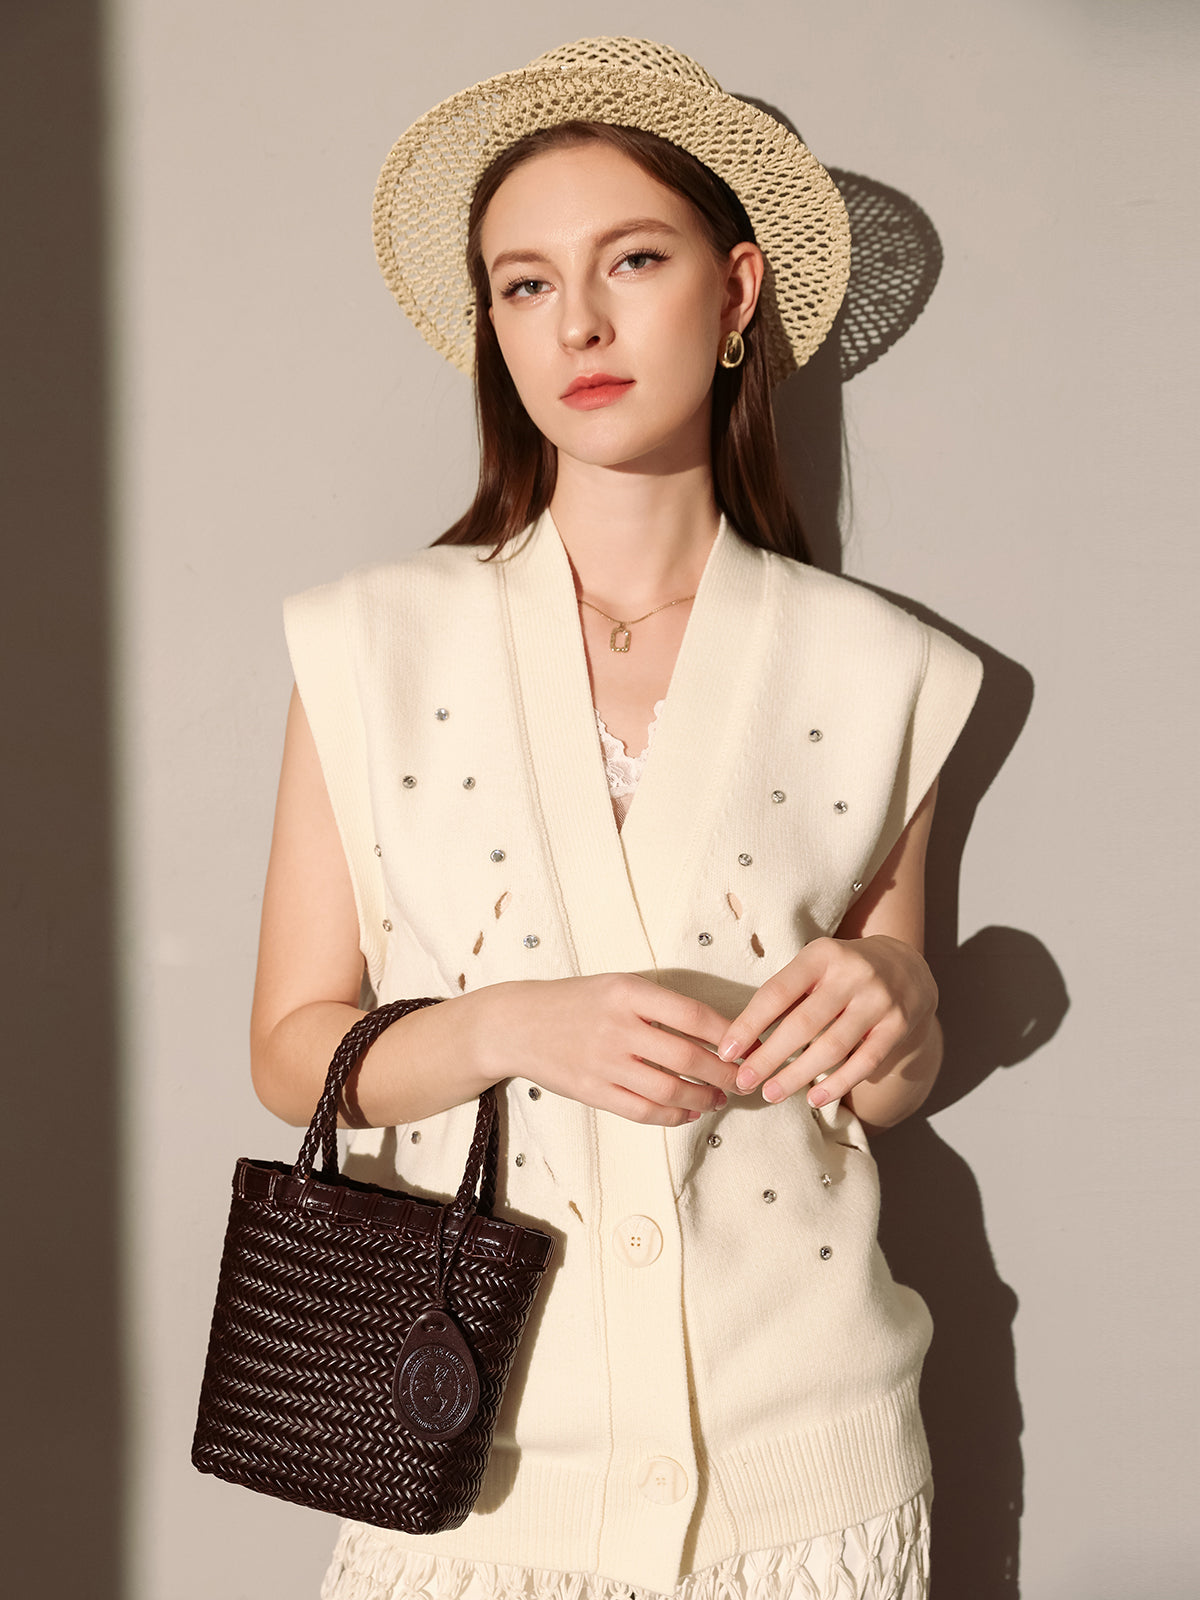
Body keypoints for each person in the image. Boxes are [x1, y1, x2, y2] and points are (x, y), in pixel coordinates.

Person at [249, 37, 982, 1600]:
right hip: (470, 1479)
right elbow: (291, 1052)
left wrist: (902, 997)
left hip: (812, 1489)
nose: (576, 322)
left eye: (632, 261)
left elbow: (884, 1087)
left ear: (735, 293)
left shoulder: (886, 669)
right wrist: (510, 1025)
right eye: (524, 284)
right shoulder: (367, 644)